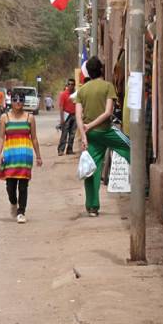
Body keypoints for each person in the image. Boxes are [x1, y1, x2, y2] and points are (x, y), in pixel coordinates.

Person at [75, 56, 131, 217]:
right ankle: (144, 185)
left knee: (91, 168)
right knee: (132, 148)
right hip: (106, 131)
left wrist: (84, 135)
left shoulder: (82, 90)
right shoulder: (108, 86)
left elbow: (78, 116)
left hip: (90, 135)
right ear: (101, 70)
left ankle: (92, 207)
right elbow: (108, 113)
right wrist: (92, 126)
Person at [0, 91, 43, 223]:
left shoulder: (30, 117)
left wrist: (38, 156)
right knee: (10, 186)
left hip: (24, 157)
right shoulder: (5, 117)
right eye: (15, 100)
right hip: (10, 156)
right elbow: (1, 137)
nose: (18, 102)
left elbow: (34, 138)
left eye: (21, 100)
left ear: (24, 101)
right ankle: (13, 202)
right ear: (11, 101)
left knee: (23, 186)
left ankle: (21, 212)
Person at [57, 79, 77, 156]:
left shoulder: (76, 94)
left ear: (74, 85)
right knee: (64, 133)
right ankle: (60, 150)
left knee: (72, 134)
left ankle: (69, 149)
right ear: (67, 85)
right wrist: (62, 119)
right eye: (69, 84)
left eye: (72, 84)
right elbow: (61, 107)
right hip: (66, 116)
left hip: (74, 115)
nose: (71, 86)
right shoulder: (63, 94)